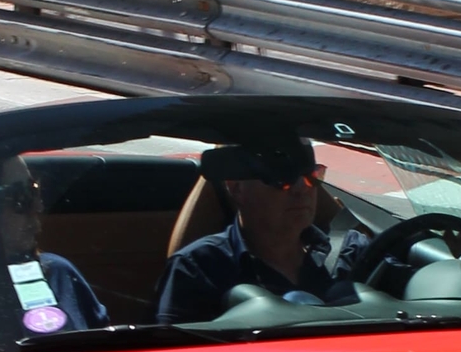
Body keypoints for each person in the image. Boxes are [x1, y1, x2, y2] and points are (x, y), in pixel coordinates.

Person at [155, 131, 364, 326]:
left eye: (312, 176)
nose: (302, 189)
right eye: (282, 179)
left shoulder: (353, 251)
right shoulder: (199, 268)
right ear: (237, 188)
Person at [0, 157, 107, 334]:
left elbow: (103, 348)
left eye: (34, 190)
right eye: (20, 197)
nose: (39, 206)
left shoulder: (58, 273)